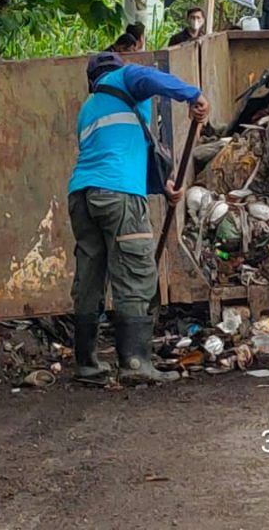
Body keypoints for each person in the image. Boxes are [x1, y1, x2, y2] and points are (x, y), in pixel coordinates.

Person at [68, 52, 210, 383]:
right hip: (117, 194)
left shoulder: (89, 110)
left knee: (90, 273)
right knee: (135, 270)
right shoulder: (125, 78)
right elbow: (150, 78)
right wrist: (193, 95)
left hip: (82, 194)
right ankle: (135, 365)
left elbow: (125, 153)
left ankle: (87, 364)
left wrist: (164, 186)